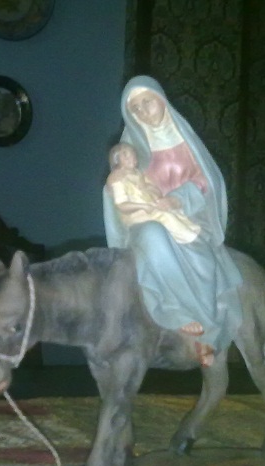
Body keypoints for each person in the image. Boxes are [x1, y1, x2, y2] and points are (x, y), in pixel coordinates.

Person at [103, 76, 243, 367]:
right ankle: (176, 313)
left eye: (147, 102)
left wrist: (178, 199)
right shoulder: (130, 149)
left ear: (162, 100)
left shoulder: (185, 140)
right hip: (147, 219)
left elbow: (207, 181)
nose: (143, 112)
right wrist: (119, 190)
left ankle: (206, 326)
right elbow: (117, 188)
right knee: (153, 235)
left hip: (188, 214)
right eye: (135, 108)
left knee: (199, 255)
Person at [105, 142, 201, 245]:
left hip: (150, 207)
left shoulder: (137, 173)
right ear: (117, 160)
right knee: (166, 217)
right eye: (126, 156)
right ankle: (190, 239)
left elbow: (155, 190)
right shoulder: (117, 179)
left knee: (174, 212)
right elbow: (122, 205)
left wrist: (148, 189)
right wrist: (143, 206)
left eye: (133, 154)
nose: (132, 158)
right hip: (137, 214)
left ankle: (191, 236)